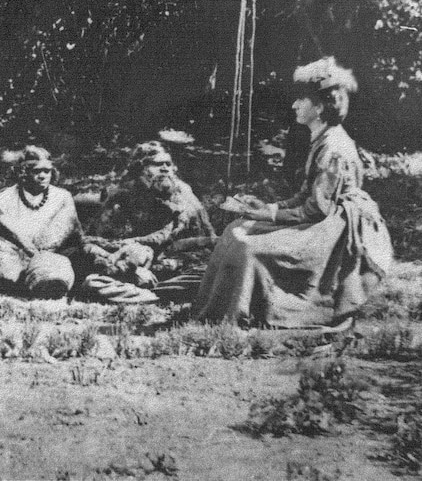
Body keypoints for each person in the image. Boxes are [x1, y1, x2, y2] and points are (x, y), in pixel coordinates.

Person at [194, 57, 393, 328]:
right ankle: (215, 310)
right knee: (235, 228)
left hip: (331, 232)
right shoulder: (321, 138)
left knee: (247, 244)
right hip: (320, 218)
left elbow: (317, 210)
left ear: (321, 107)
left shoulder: (333, 148)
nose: (294, 105)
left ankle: (245, 314)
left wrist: (271, 216)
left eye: (301, 100)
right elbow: (305, 196)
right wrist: (266, 209)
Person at [80, 141, 216, 302]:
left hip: (175, 265)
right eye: (157, 164)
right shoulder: (122, 195)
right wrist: (133, 268)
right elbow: (98, 241)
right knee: (92, 282)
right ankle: (151, 293)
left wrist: (173, 263)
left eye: (168, 163)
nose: (165, 168)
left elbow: (205, 241)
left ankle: (152, 292)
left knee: (210, 276)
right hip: (131, 264)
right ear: (140, 168)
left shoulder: (183, 194)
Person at [0, 146, 82, 299]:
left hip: (50, 252)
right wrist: (26, 250)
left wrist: (42, 253)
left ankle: (43, 279)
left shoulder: (62, 197)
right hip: (13, 253)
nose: (43, 176)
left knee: (65, 260)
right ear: (23, 173)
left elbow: (67, 231)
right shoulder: (5, 197)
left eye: (47, 171)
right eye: (37, 171)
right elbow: (6, 231)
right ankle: (19, 280)